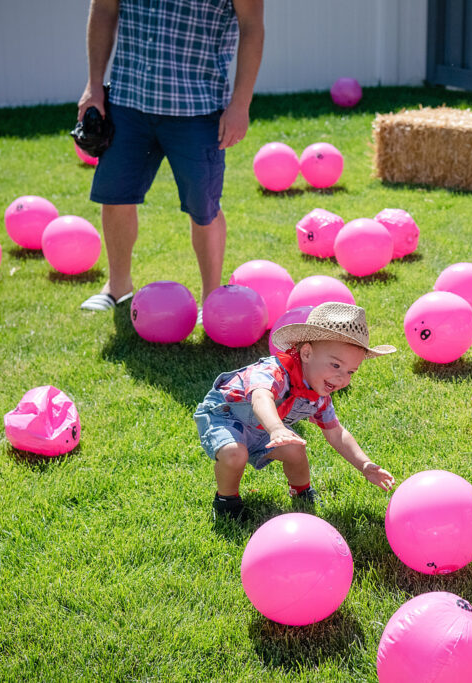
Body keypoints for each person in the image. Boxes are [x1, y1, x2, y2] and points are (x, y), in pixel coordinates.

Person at [77, 0, 265, 312]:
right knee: (116, 197)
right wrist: (94, 84)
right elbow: (104, 8)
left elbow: (252, 27)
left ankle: (211, 299)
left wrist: (240, 104)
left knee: (204, 207)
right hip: (129, 101)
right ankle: (117, 286)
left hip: (198, 108)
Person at [195, 303, 397, 520]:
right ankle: (227, 502)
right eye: (336, 366)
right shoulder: (274, 371)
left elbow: (336, 433)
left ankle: (302, 492)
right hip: (226, 416)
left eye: (351, 372)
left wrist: (364, 464)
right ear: (307, 353)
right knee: (235, 454)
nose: (343, 378)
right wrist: (276, 428)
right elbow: (261, 397)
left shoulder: (318, 397)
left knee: (295, 450)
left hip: (266, 427)